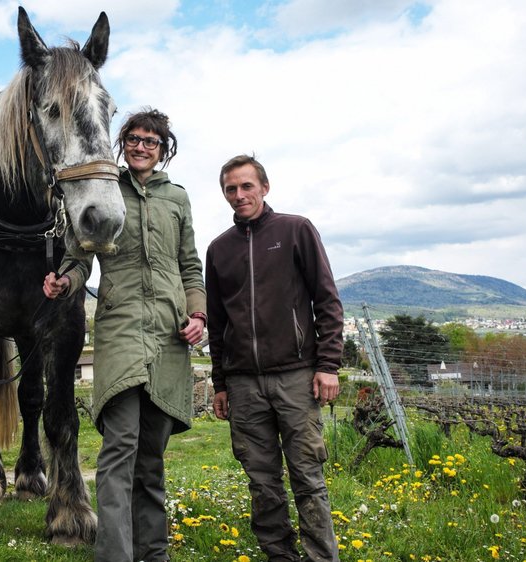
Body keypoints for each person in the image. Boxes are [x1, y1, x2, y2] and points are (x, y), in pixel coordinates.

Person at [43, 108, 205, 562]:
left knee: (151, 458)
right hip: (120, 335)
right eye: (133, 138)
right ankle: (114, 554)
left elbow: (190, 265)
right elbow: (78, 259)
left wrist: (198, 314)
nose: (140, 146)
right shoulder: (104, 190)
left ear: (162, 148)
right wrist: (64, 282)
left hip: (169, 339)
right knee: (120, 450)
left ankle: (153, 554)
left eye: (150, 141)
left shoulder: (177, 198)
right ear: (122, 142)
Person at [205, 154, 344, 562]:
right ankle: (279, 556)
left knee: (307, 477)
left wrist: (328, 365)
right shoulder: (218, 250)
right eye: (231, 188)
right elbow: (216, 322)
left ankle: (322, 557)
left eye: (247, 186)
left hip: (296, 377)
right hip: (244, 384)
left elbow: (327, 301)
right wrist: (220, 382)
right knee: (262, 483)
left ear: (264, 187)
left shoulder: (296, 230)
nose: (239, 195)